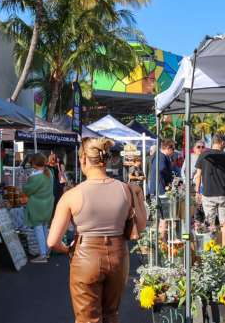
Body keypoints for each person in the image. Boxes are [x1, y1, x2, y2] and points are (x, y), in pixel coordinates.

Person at [47, 137, 142, 323]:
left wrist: (67, 250)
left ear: (83, 160)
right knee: (111, 314)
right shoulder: (126, 190)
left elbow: (52, 241)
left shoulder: (72, 195)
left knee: (87, 318)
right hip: (118, 255)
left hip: (85, 257)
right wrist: (138, 195)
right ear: (105, 160)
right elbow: (142, 225)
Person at [195, 134, 225, 246]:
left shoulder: (203, 155)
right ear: (221, 142)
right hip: (223, 193)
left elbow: (198, 175)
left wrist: (197, 192)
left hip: (208, 194)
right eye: (224, 142)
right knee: (224, 222)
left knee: (210, 223)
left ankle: (212, 248)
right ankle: (224, 247)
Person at [24, 153, 55, 263]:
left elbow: (27, 190)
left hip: (37, 206)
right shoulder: (49, 173)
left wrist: (26, 181)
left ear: (34, 163)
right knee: (44, 228)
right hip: (48, 205)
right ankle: (46, 251)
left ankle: (43, 254)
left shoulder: (35, 176)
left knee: (38, 229)